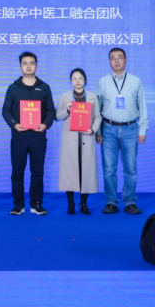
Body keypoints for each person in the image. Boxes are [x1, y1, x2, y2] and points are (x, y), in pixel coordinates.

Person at [1, 51, 56, 215]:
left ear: (36, 66)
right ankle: (18, 205)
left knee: (37, 172)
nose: (28, 66)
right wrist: (14, 125)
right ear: (20, 66)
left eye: (31, 63)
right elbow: (6, 111)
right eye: (25, 63)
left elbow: (50, 111)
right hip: (19, 136)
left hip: (38, 136)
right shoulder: (13, 88)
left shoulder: (44, 87)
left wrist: (45, 125)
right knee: (17, 172)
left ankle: (36, 204)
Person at [95, 47, 149, 215]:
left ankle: (130, 201)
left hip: (130, 129)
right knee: (109, 170)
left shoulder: (135, 81)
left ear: (125, 60)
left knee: (130, 169)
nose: (116, 60)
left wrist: (143, 129)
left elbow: (142, 106)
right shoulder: (102, 82)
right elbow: (97, 109)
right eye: (113, 58)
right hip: (108, 129)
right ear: (109, 62)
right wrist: (98, 131)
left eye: (120, 57)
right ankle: (111, 202)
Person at [55, 67, 102, 215]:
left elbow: (98, 117)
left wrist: (93, 130)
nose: (77, 81)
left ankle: (83, 203)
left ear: (85, 80)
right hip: (70, 139)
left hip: (86, 138)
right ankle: (71, 203)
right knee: (69, 171)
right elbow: (57, 116)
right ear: (71, 81)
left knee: (86, 171)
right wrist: (67, 110)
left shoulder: (93, 97)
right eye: (74, 78)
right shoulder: (65, 96)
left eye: (80, 78)